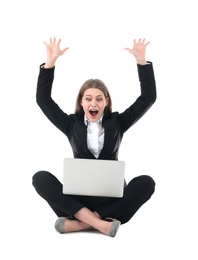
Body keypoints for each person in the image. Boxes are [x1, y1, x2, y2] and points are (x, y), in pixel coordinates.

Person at [32, 37, 156, 237]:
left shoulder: (118, 122)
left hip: (112, 204)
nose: (94, 103)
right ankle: (101, 224)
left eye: (99, 99)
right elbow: (43, 100)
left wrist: (141, 62)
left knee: (146, 183)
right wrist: (50, 63)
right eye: (88, 98)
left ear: (106, 102)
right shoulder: (70, 124)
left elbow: (148, 98)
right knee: (40, 178)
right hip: (76, 203)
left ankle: (81, 224)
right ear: (81, 102)